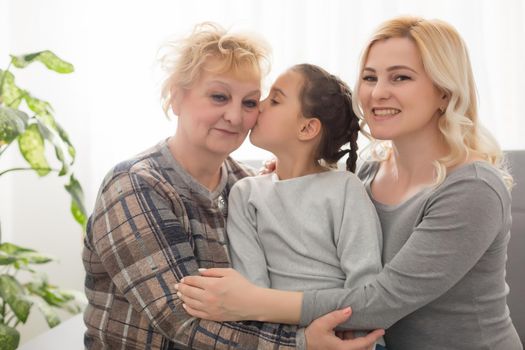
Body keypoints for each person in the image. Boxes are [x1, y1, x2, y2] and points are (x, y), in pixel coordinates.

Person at [176, 16, 523, 350]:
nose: (377, 93)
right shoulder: (368, 172)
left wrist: (253, 302)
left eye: (400, 78)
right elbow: (308, 192)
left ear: (445, 93)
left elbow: (382, 301)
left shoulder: (472, 188)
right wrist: (282, 172)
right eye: (370, 78)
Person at [82, 22, 383, 350]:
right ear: (177, 98)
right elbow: (180, 320)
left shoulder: (247, 185)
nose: (235, 116)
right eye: (218, 96)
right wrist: (301, 343)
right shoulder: (135, 186)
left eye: (251, 102)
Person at [219, 63, 385, 347]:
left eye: (275, 99)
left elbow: (365, 279)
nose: (258, 106)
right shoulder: (245, 193)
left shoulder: (345, 188)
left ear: (307, 127)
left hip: (349, 338)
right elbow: (252, 292)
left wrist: (355, 336)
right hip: (284, 340)